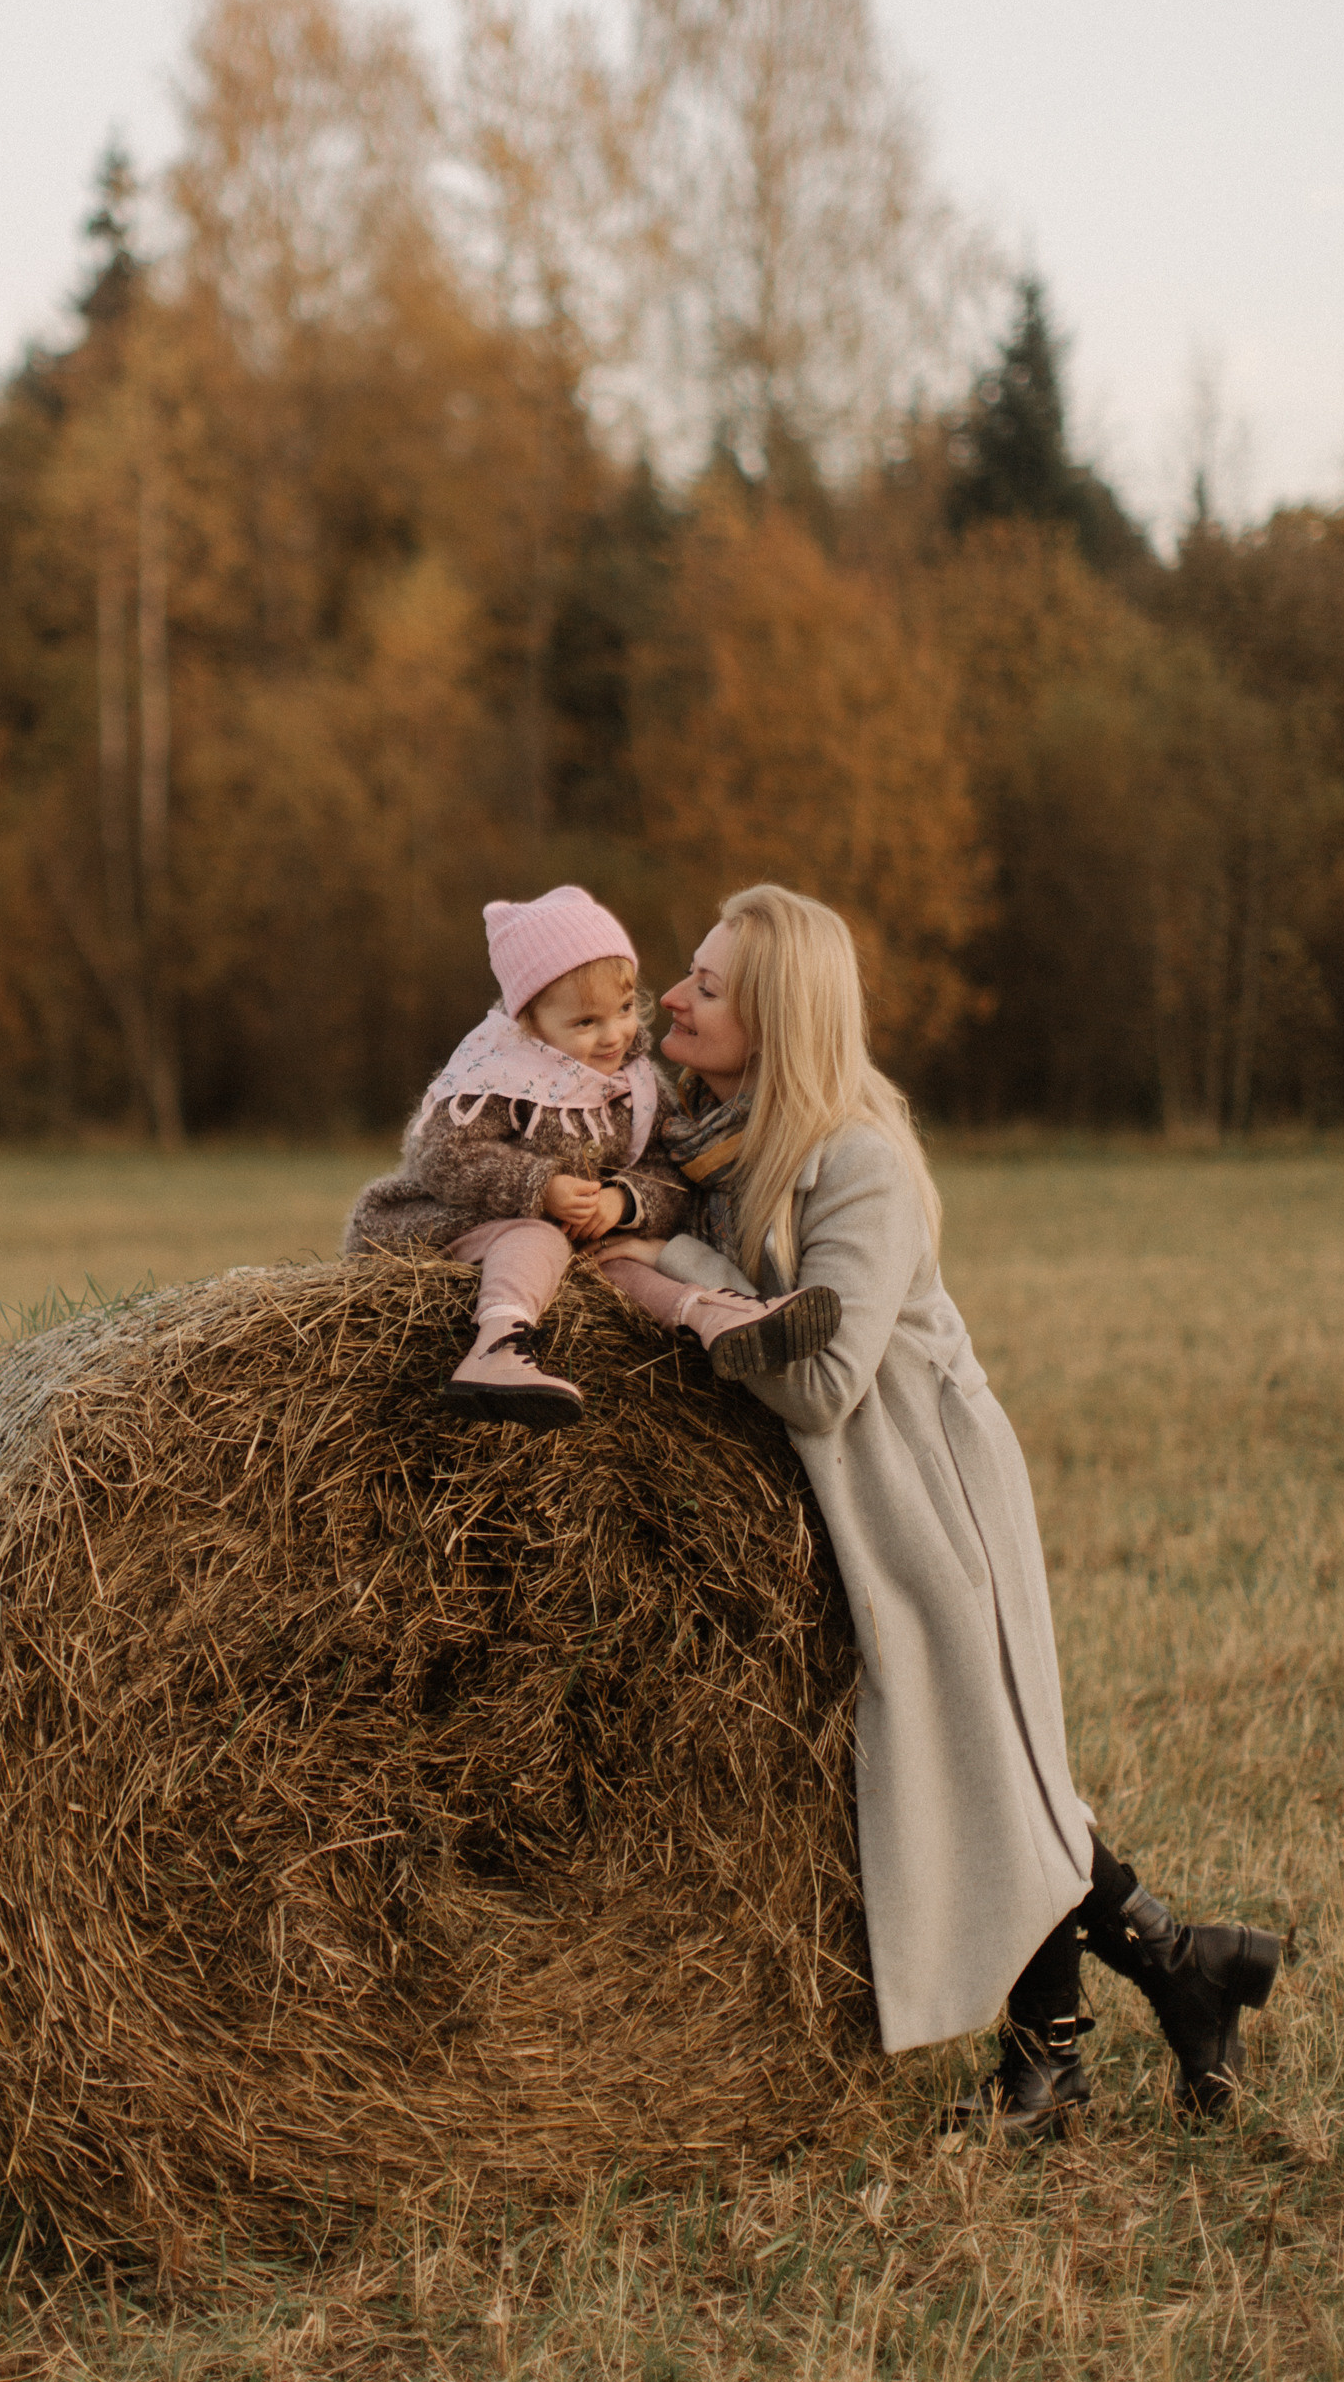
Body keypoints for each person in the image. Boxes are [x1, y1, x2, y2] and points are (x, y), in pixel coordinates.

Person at [597, 882, 1282, 2136]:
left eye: (705, 981)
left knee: (981, 1771)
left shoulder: (855, 1158)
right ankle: (1170, 1979)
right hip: (861, 1500)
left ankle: (1076, 2050)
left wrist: (664, 1273)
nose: (675, 995)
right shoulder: (715, 1142)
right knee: (985, 1772)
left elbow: (817, 1381)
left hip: (929, 1496)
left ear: (779, 1013)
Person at [343, 883, 840, 1429]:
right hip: (458, 1225)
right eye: (586, 1023)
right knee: (536, 1235)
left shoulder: (636, 1086)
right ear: (530, 1024)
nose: (614, 1035)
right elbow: (441, 1155)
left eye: (624, 1009)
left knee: (621, 1262)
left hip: (576, 1243)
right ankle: (496, 1347)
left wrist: (622, 1202)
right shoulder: (496, 1078)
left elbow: (664, 1169)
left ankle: (715, 1316)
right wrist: (540, 1186)